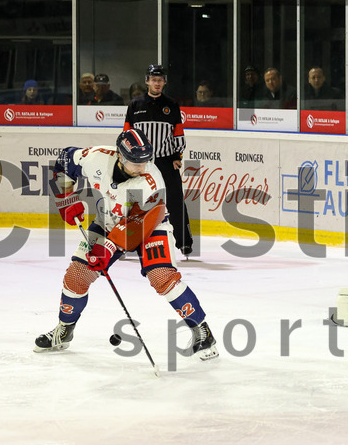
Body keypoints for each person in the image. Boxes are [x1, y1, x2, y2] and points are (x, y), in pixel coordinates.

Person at [35, 128, 217, 361]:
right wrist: (66, 199)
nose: (142, 167)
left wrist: (108, 247)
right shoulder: (96, 158)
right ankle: (64, 330)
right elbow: (63, 161)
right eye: (135, 162)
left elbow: (137, 224)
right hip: (108, 220)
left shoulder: (151, 181)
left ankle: (202, 331)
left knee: (161, 276)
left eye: (145, 161)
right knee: (77, 275)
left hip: (150, 224)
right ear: (120, 157)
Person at [123, 64, 194, 257]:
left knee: (175, 200)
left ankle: (184, 242)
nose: (157, 83)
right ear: (147, 81)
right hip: (141, 162)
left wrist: (177, 156)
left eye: (160, 80)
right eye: (154, 80)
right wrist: (128, 160)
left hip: (165, 161)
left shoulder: (171, 105)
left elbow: (178, 134)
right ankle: (127, 239)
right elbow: (127, 134)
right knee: (135, 200)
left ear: (164, 82)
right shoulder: (135, 105)